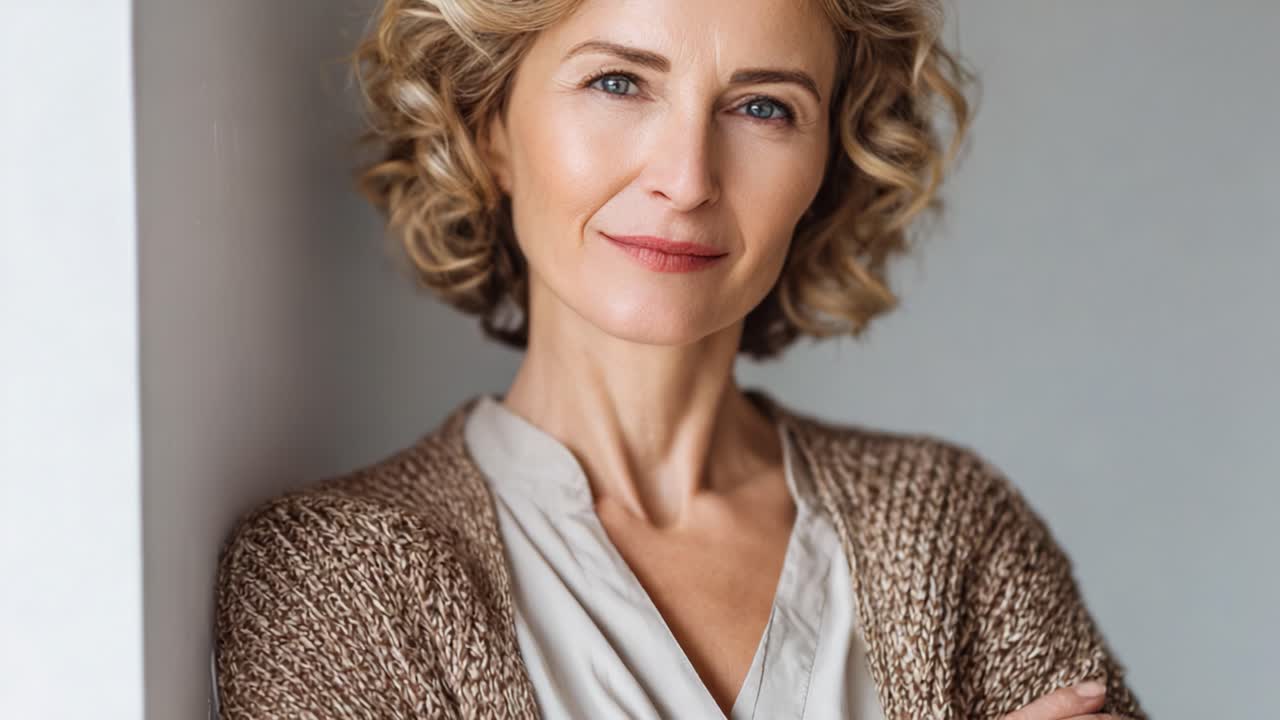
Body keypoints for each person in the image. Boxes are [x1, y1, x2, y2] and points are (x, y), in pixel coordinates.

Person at [212, 1, 1148, 718]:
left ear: (827, 163)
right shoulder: (336, 577)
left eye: (763, 107)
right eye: (619, 82)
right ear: (488, 125)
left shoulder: (956, 531)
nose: (689, 177)